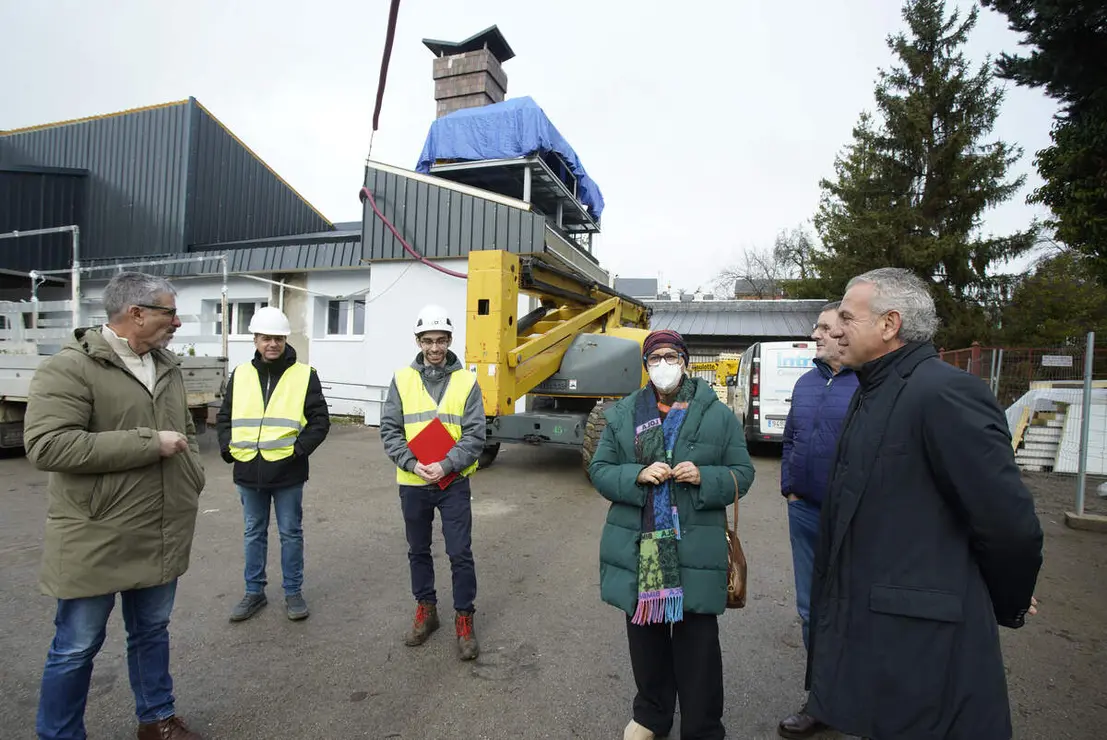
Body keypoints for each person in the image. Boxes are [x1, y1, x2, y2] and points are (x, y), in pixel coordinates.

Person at [806, 268, 1043, 740]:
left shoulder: (944, 392)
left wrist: (1001, 597)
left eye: (848, 319)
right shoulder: (872, 390)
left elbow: (1007, 523)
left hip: (925, 642)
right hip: (880, 635)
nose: (834, 330)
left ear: (889, 324)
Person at [24, 271, 206, 740]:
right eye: (170, 312)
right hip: (96, 532)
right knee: (76, 646)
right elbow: (47, 446)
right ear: (136, 313)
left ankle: (157, 720)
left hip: (161, 526)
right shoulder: (69, 368)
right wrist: (147, 443)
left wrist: (193, 478)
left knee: (151, 632)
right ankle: (60, 734)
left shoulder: (164, 364)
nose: (178, 322)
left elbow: (183, 428)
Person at [590, 329, 755, 740]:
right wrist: (636, 475)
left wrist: (706, 476)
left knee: (697, 647)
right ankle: (651, 716)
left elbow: (743, 473)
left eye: (670, 356)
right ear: (645, 365)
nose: (663, 364)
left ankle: (702, 727)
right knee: (645, 642)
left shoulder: (716, 413)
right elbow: (600, 469)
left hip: (695, 546)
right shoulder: (624, 413)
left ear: (684, 360)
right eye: (655, 358)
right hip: (640, 548)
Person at [379, 304, 486, 660]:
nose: (435, 348)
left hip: (452, 482)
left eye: (440, 341)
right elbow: (390, 431)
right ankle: (427, 610)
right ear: (418, 341)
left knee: (459, 552)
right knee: (418, 550)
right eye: (428, 341)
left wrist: (446, 464)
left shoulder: (467, 381)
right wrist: (411, 461)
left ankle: (464, 617)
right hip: (413, 481)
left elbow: (475, 435)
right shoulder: (401, 379)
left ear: (450, 340)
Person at [216, 306, 330, 622]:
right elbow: (224, 416)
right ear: (255, 339)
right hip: (248, 469)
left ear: (284, 340)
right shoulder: (240, 374)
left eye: (278, 338)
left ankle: (293, 592)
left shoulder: (304, 374)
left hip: (287, 471)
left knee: (290, 533)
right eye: (267, 338)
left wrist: (297, 452)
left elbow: (320, 421)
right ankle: (254, 592)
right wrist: (227, 447)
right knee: (254, 532)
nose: (273, 344)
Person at [777, 301, 858, 740]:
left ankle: (865, 702)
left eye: (825, 328)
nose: (817, 335)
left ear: (846, 331)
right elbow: (791, 437)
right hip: (805, 511)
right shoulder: (807, 382)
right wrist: (790, 485)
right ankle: (822, 701)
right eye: (817, 328)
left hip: (853, 520)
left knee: (856, 610)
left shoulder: (869, 383)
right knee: (811, 610)